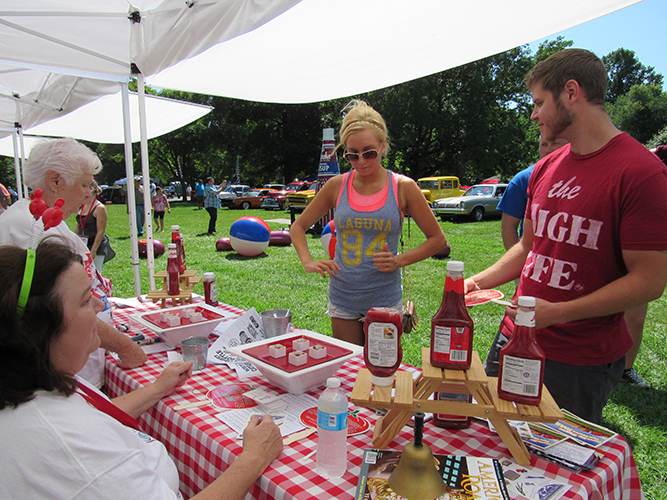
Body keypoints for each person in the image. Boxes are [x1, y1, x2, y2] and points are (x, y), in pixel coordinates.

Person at [465, 49, 667, 424]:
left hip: (578, 361)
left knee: (551, 468)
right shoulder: (545, 168)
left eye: (540, 102)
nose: (533, 114)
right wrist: (473, 282)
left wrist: (557, 313)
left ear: (571, 92)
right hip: (513, 338)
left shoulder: (642, 172)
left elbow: (649, 281)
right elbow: (529, 246)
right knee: (494, 438)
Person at [0, 240, 283, 499]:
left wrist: (158, 388)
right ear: (41, 329)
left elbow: (99, 414)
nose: (100, 306)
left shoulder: (36, 383)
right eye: (86, 300)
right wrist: (253, 458)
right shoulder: (74, 449)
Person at [291, 100, 447, 346]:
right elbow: (298, 227)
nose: (361, 161)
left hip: (385, 297)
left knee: (382, 371)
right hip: (344, 297)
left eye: (369, 152)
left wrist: (398, 261)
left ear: (383, 146)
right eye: (352, 155)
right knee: (350, 371)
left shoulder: (402, 187)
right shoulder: (336, 185)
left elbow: (437, 240)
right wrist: (308, 261)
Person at [0, 138, 146, 388]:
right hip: (68, 374)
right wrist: (126, 346)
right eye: (84, 184)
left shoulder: (37, 218)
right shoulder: (35, 230)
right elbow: (65, 310)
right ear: (55, 180)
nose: (89, 193)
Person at [498, 135, 569, 252]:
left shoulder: (582, 177)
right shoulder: (523, 180)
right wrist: (519, 265)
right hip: (534, 259)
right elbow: (508, 227)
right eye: (544, 145)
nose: (549, 149)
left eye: (555, 143)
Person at [76, 180, 111, 273]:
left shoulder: (100, 208)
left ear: (91, 189)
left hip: (95, 245)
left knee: (94, 273)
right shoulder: (82, 206)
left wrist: (93, 250)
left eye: (83, 187)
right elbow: (78, 225)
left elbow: (100, 231)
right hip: (83, 244)